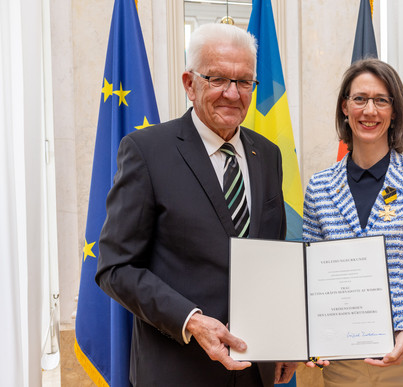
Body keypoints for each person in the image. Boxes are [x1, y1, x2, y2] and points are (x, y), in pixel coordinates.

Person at [96, 23, 297, 387]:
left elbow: (273, 259)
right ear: (190, 83)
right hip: (178, 370)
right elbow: (115, 267)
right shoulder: (146, 151)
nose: (233, 94)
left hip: (256, 372)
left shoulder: (268, 154)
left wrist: (284, 340)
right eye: (218, 78)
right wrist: (190, 319)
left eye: (244, 81)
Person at [302, 58, 403, 386]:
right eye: (359, 99)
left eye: (381, 100)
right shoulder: (319, 187)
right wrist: (311, 339)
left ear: (394, 111)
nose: (369, 110)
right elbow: (310, 278)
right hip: (344, 366)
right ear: (345, 107)